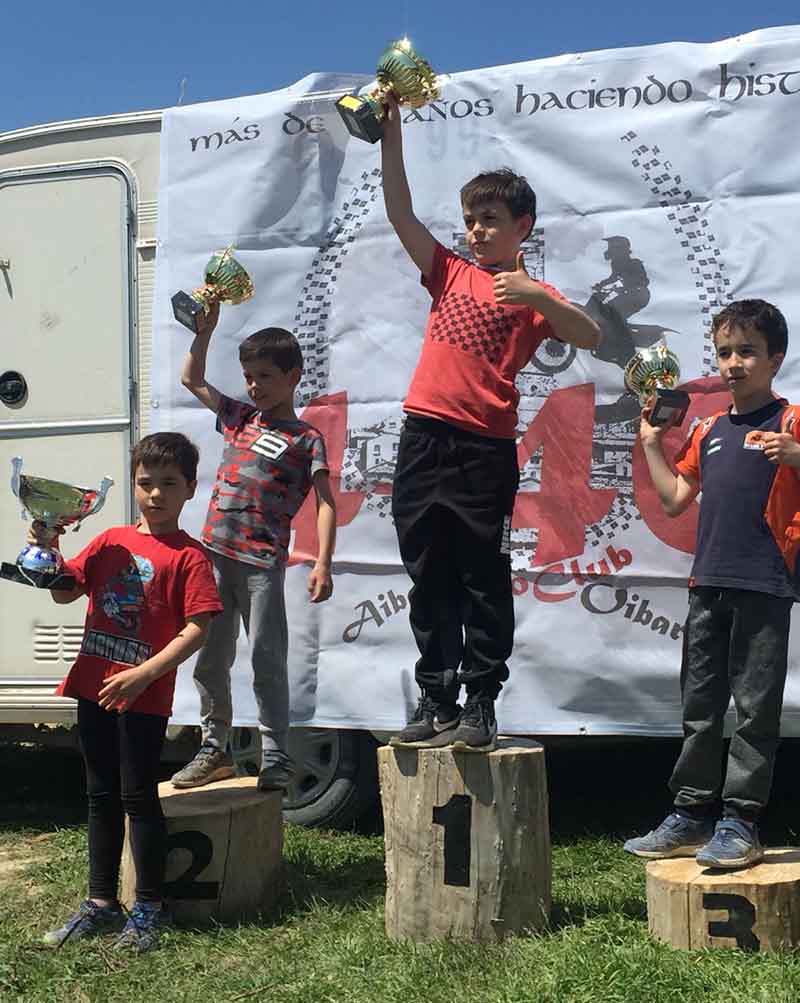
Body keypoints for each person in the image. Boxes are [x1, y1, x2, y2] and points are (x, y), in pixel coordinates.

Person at [380, 93, 601, 751]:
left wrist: (535, 293)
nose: (476, 230)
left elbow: (589, 334)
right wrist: (391, 129)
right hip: (424, 436)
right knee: (428, 573)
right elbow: (399, 210)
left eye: (490, 219)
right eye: (471, 219)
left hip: (483, 449)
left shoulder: (534, 295)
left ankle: (481, 700)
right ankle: (435, 695)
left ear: (522, 225)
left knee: (481, 576)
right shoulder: (449, 272)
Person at [624, 299, 798, 869]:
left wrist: (798, 456)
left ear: (775, 359)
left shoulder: (792, 421)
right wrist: (652, 443)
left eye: (748, 351)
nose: (734, 363)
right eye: (725, 352)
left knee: (754, 709)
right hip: (708, 584)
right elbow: (675, 500)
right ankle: (690, 812)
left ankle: (741, 819)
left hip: (766, 585)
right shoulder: (709, 428)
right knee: (700, 705)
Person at [36, 432, 223, 951]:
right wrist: (49, 545)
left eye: (168, 484)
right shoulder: (110, 541)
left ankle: (149, 907)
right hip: (93, 687)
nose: (155, 494)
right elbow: (63, 592)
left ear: (189, 488)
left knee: (138, 797)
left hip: (143, 698)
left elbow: (198, 628)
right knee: (99, 795)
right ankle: (100, 903)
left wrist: (143, 676)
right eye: (146, 483)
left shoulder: (190, 557)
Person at [171, 306, 336, 790]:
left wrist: (323, 561)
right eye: (248, 376)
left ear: (293, 376)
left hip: (262, 564)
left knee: (266, 657)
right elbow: (190, 378)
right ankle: (212, 747)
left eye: (265, 376)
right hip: (213, 558)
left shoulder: (307, 439)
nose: (254, 386)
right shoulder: (239, 417)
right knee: (210, 658)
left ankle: (277, 755)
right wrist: (205, 333)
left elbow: (327, 503)